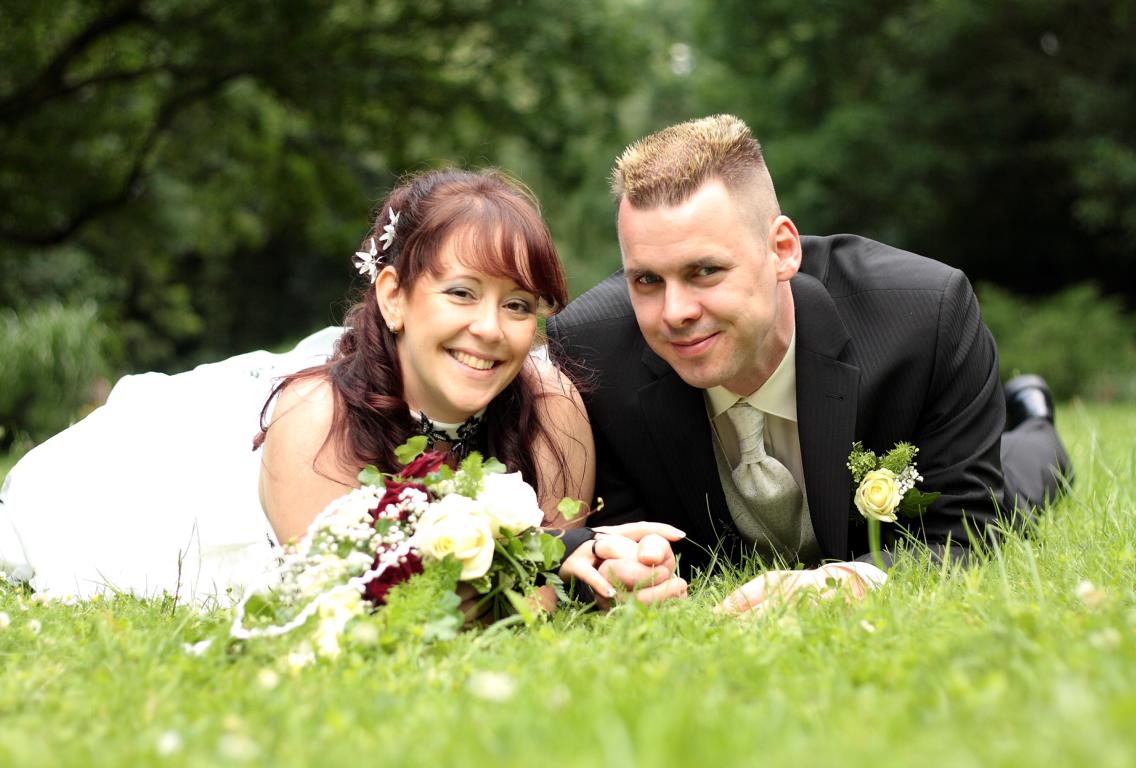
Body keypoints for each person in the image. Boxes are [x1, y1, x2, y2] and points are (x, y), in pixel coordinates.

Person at [0, 168, 607, 602]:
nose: (489, 330)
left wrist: (602, 557)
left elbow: (553, 567)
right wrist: (545, 572)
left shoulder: (550, 403)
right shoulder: (318, 424)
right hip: (159, 491)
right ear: (394, 297)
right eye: (461, 293)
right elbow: (372, 610)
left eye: (519, 305)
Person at [552, 115, 1071, 612]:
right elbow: (608, 525)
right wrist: (625, 567)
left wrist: (843, 583)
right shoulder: (589, 351)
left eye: (705, 271)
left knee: (1018, 486)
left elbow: (964, 533)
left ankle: (1035, 420)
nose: (675, 312)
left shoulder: (924, 316)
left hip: (969, 470)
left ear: (782, 250)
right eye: (645, 280)